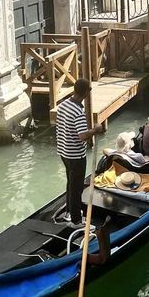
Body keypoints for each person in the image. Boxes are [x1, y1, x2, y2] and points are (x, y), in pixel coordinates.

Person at [55, 78, 106, 227]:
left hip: (64, 152)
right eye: (89, 90)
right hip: (76, 155)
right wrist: (96, 130)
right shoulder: (78, 111)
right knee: (76, 187)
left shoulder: (63, 105)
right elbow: (82, 136)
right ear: (84, 92)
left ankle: (69, 213)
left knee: (71, 183)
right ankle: (76, 220)